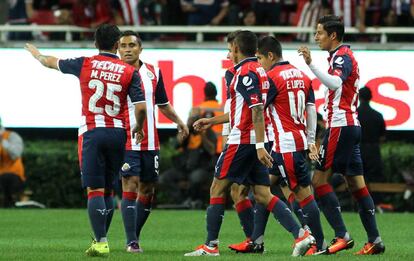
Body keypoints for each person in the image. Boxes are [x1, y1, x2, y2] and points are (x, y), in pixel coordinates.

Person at [184, 30, 314, 257]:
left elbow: (256, 111)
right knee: (263, 194)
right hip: (255, 140)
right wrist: (212, 121)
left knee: (217, 188)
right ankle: (301, 235)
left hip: (243, 140)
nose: (228, 53)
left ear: (235, 47)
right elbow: (243, 111)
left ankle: (211, 245)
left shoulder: (244, 72)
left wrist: (260, 145)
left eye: (229, 48)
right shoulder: (262, 71)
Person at [25, 24, 147, 257]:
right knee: (110, 189)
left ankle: (100, 242)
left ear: (95, 43)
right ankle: (107, 240)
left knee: (94, 189)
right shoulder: (129, 71)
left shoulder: (85, 63)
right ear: (116, 45)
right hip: (118, 133)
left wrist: (37, 54)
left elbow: (51, 62)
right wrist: (138, 128)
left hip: (91, 132)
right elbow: (140, 108)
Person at [298, 15, 385, 255]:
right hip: (350, 125)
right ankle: (375, 240)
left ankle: (342, 236)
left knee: (319, 180)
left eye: (319, 33)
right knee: (356, 184)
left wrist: (311, 64)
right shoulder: (341, 56)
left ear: (333, 35)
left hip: (341, 126)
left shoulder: (342, 56)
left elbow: (335, 83)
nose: (316, 37)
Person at [117, 30, 189, 253]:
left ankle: (134, 236)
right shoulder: (115, 73)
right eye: (123, 46)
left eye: (132, 45)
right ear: (117, 50)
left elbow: (163, 104)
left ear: (141, 48)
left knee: (147, 189)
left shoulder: (153, 72)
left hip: (150, 142)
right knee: (129, 185)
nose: (128, 49)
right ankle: (132, 242)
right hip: (126, 139)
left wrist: (179, 121)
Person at [357, 86, 386, 205]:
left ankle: (359, 203)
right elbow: (383, 137)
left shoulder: (355, 114)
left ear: (358, 97)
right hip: (373, 150)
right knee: (375, 178)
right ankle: (376, 204)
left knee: (358, 177)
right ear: (371, 97)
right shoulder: (377, 115)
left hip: (358, 149)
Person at [0, 117, 25, 208]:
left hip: (14, 175)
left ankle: (10, 204)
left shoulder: (12, 136)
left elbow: (16, 154)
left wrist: (4, 143)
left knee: (6, 178)